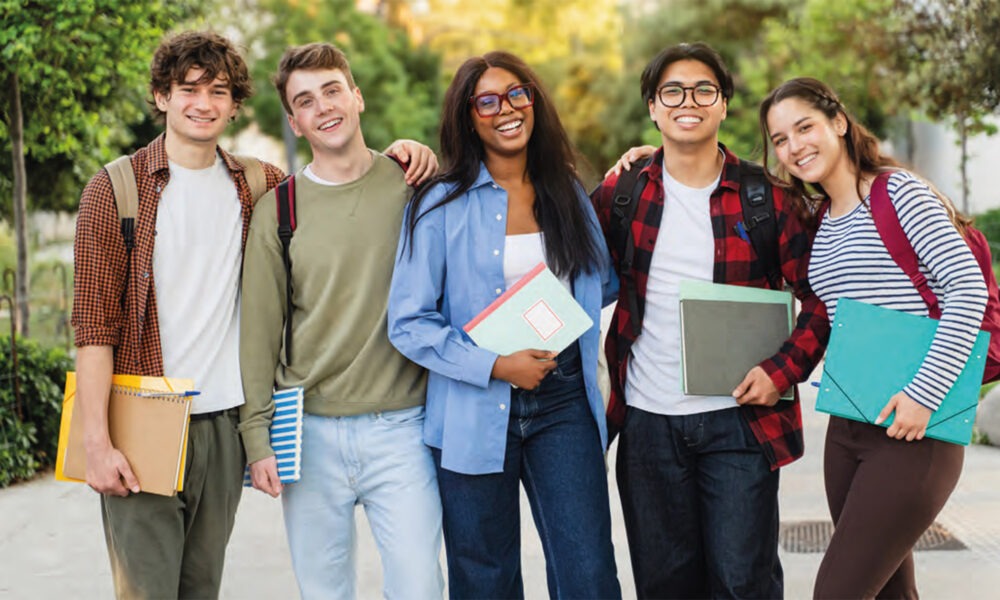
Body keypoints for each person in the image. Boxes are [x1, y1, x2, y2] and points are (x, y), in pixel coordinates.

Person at [72, 30, 435, 599]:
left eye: (218, 91)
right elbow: (93, 327)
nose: (203, 102)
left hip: (221, 424)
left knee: (200, 588)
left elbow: (338, 190)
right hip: (143, 417)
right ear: (162, 97)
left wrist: (406, 152)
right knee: (145, 592)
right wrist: (95, 441)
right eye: (187, 88)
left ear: (235, 105)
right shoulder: (115, 189)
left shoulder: (258, 185)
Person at [592, 43, 829, 598]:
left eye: (704, 90)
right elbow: (558, 257)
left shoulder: (766, 199)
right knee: (663, 585)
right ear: (653, 107)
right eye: (672, 91)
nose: (688, 102)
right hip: (648, 425)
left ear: (723, 105)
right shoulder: (621, 194)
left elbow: (820, 300)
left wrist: (781, 372)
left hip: (740, 424)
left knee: (742, 583)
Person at [387, 51, 621, 599]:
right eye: (487, 101)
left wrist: (547, 333)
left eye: (518, 94)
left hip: (562, 400)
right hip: (471, 404)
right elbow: (408, 322)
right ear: (468, 117)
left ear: (534, 102)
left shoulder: (566, 191)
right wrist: (495, 363)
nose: (507, 109)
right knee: (484, 577)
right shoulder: (437, 205)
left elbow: (600, 283)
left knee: (588, 572)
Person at [760, 76, 988, 599]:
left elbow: (967, 290)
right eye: (780, 139)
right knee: (888, 593)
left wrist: (922, 396)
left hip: (914, 431)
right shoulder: (818, 219)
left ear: (838, 123)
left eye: (805, 127)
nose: (794, 146)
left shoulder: (898, 192)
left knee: (837, 592)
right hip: (848, 429)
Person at [239, 42, 443, 600]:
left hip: (403, 429)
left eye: (332, 90)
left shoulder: (415, 187)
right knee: (324, 592)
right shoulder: (278, 211)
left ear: (356, 97)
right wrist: (257, 439)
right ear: (295, 122)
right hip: (307, 434)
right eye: (306, 100)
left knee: (421, 588)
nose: (323, 106)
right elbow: (258, 335)